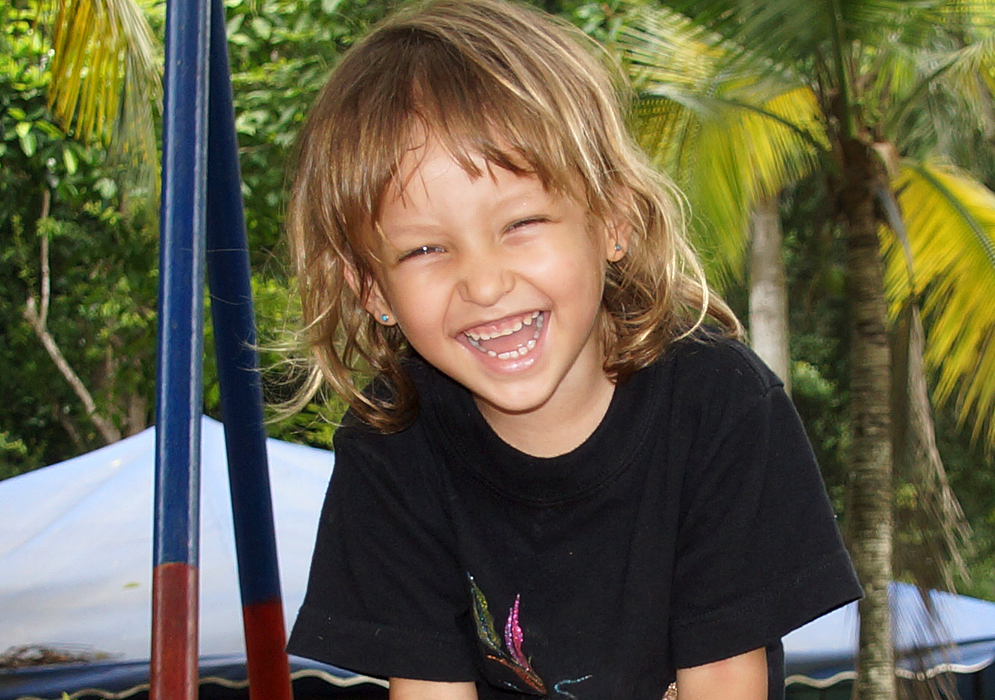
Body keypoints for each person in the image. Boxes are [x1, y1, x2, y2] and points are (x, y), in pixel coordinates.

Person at [284, 1, 862, 698]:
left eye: (522, 222)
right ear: (372, 288)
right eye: (426, 249)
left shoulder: (718, 404)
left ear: (612, 219)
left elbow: (722, 681)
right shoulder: (392, 442)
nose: (486, 283)